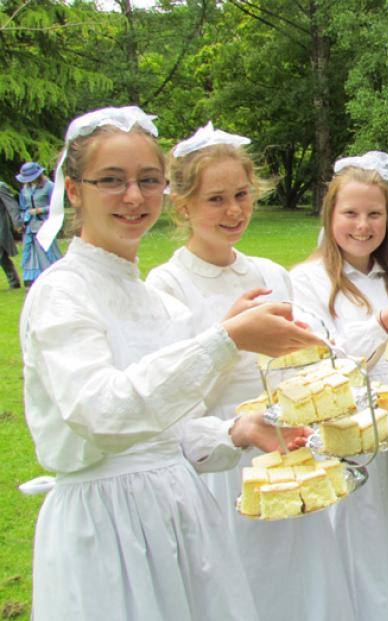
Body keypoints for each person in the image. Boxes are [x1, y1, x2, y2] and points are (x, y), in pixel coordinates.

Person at [20, 106, 320, 621]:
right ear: (74, 190)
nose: (134, 196)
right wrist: (224, 341)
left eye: (148, 180)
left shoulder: (159, 305)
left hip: (179, 515)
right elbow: (101, 412)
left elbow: (175, 436)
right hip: (109, 529)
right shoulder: (62, 293)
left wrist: (238, 431)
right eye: (112, 180)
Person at [145, 122, 356, 621]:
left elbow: (292, 365)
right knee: (239, 591)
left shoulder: (269, 273)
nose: (234, 210)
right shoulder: (167, 285)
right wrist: (226, 332)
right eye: (216, 199)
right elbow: (174, 398)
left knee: (302, 588)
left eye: (242, 194)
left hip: (287, 450)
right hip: (223, 462)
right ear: (184, 205)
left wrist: (318, 357)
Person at [290, 151, 388, 621]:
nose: (363, 225)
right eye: (351, 214)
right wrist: (380, 323)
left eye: (374, 214)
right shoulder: (306, 281)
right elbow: (320, 360)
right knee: (357, 553)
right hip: (348, 440)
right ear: (330, 215)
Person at [16, 161, 62, 286]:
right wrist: (22, 221)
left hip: (45, 225)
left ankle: (54, 275)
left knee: (47, 250)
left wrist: (39, 210)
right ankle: (32, 279)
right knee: (30, 251)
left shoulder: (49, 186)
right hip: (30, 226)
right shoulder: (25, 189)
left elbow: (57, 206)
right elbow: (23, 207)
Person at [0, 180, 23, 289]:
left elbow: (12, 205)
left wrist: (17, 222)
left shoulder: (1, 186)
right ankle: (13, 282)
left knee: (1, 256)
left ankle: (13, 282)